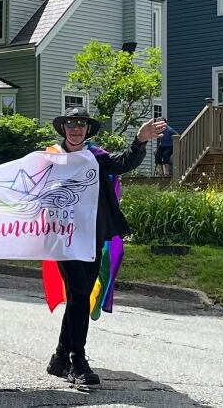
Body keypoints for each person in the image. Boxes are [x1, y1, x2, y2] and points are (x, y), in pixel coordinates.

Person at [43, 107, 165, 387]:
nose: (76, 129)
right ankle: (78, 360)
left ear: (87, 130)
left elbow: (123, 163)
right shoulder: (50, 158)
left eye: (81, 125)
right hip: (64, 238)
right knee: (78, 294)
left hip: (92, 236)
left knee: (79, 296)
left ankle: (61, 357)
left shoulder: (95, 157)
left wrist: (140, 140)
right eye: (71, 124)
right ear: (63, 128)